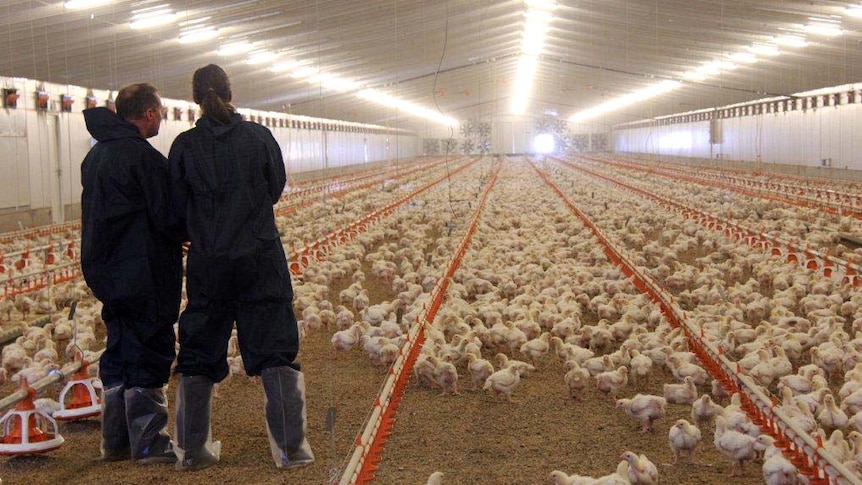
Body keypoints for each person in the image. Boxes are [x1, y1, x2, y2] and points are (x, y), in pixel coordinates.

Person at [167, 64, 314, 472]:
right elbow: (275, 187)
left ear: (195, 98)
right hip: (258, 256)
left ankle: (192, 452)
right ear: (231, 93)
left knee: (198, 349)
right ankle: (291, 450)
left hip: (209, 262)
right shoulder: (258, 137)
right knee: (275, 349)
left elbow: (176, 206)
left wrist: (198, 228)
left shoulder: (184, 145)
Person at [80, 83, 183, 463]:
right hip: (143, 271)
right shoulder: (144, 158)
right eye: (161, 111)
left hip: (108, 272)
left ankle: (116, 441)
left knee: (120, 348)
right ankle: (149, 444)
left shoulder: (96, 157)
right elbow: (167, 216)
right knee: (149, 347)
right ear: (150, 114)